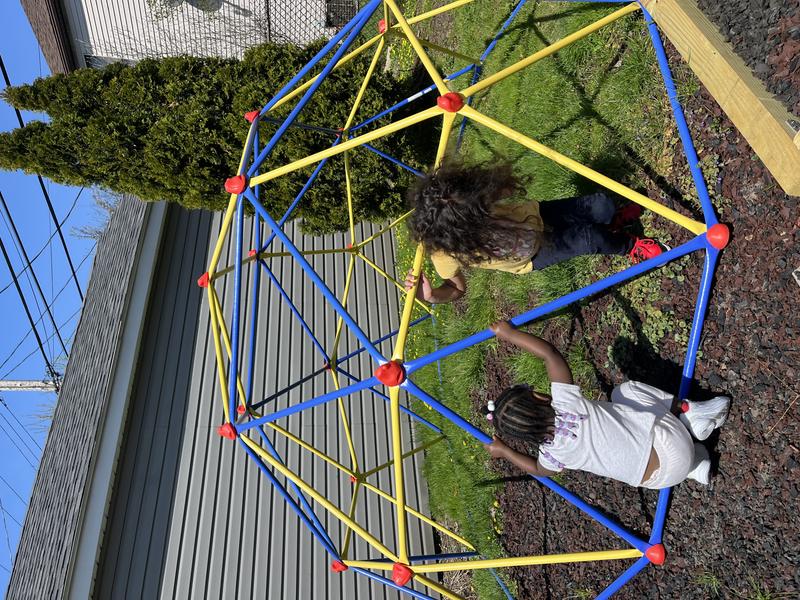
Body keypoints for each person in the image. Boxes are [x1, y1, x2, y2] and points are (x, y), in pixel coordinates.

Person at [483, 321, 731, 489]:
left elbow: (536, 469)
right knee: (623, 393)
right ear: (538, 398)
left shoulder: (551, 455)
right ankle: (691, 414)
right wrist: (510, 334)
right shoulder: (567, 407)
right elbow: (550, 354)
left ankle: (696, 464)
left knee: (640, 445)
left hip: (665, 479)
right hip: (672, 445)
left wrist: (505, 451)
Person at [404, 162, 665, 304]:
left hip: (537, 215)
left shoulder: (464, 199)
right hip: (532, 254)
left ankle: (613, 220)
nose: (482, 210)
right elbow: (456, 289)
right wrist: (431, 296)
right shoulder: (445, 255)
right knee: (589, 238)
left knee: (601, 205)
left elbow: (502, 187)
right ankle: (629, 246)